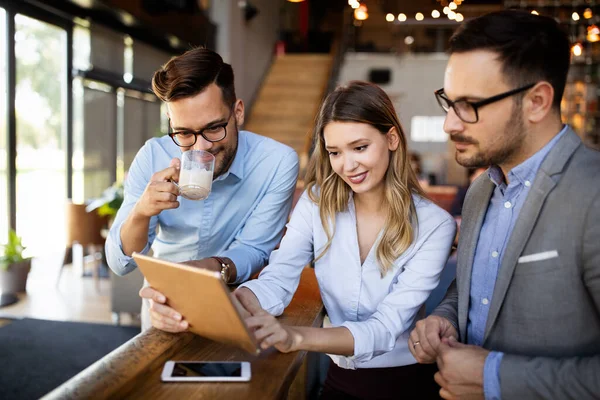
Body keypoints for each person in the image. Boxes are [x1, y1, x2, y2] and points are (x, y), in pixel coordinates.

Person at [409, 10, 600, 400]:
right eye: (448, 101)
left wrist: (495, 377)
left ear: (537, 101)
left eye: (469, 105)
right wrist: (444, 318)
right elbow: (474, 287)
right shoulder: (482, 190)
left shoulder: (592, 194)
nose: (449, 124)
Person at [234, 81, 457, 399]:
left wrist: (295, 337)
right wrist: (238, 302)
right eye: (335, 152)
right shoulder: (315, 203)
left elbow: (384, 328)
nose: (347, 166)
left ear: (391, 138)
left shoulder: (435, 225)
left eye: (360, 147)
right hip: (339, 379)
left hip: (405, 383)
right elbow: (278, 277)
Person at [105, 47, 299, 332]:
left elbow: (256, 249)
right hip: (163, 305)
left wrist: (205, 270)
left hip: (235, 302)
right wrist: (141, 212)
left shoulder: (276, 162)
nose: (201, 147)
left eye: (213, 128)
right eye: (184, 133)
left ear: (238, 112)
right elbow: (120, 264)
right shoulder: (153, 156)